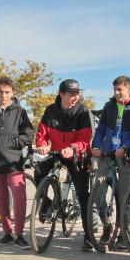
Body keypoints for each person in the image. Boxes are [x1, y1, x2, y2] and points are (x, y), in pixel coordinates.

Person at [35, 79, 94, 250]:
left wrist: (73, 148)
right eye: (71, 94)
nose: (75, 97)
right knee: (39, 171)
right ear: (61, 94)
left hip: (75, 155)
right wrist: (43, 144)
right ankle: (46, 202)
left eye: (77, 93)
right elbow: (42, 133)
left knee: (83, 194)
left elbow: (86, 140)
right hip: (55, 152)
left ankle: (88, 237)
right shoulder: (50, 111)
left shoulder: (83, 111)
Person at [0, 77, 35, 247]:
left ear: (12, 93)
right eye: (1, 91)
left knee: (19, 198)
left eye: (7, 92)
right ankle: (7, 232)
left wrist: (16, 143)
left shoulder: (20, 111)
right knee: (1, 199)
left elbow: (28, 133)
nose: (4, 95)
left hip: (14, 162)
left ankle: (19, 234)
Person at [91, 75, 130, 249]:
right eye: (114, 89)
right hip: (108, 153)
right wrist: (96, 145)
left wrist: (127, 147)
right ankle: (107, 225)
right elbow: (101, 129)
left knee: (123, 195)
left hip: (127, 156)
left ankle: (124, 231)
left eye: (120, 89)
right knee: (97, 190)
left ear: (128, 88)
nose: (116, 93)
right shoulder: (109, 106)